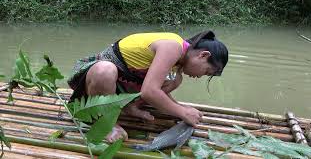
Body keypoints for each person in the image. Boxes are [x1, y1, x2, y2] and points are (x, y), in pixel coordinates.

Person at [67, 30, 228, 143]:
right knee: (105, 70)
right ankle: (106, 123)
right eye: (206, 71)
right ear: (203, 55)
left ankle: (129, 107)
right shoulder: (174, 47)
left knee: (174, 79)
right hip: (93, 83)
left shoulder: (178, 62)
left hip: (121, 85)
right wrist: (182, 112)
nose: (199, 76)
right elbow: (150, 91)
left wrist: (179, 108)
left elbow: (156, 86)